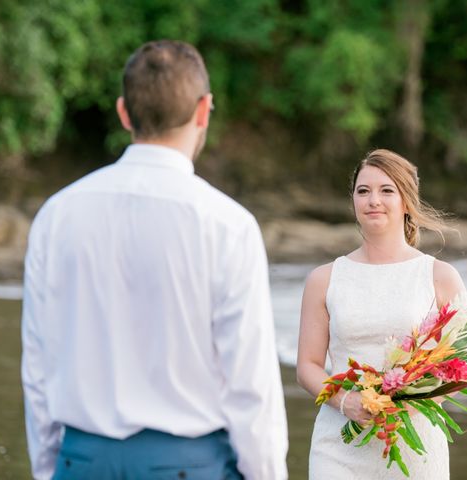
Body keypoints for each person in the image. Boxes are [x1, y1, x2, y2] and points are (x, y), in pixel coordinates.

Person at [21, 40, 288, 480]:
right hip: (190, 464)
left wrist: (51, 467)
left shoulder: (57, 214)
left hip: (82, 460)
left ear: (124, 112)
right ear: (203, 110)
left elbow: (38, 363)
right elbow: (250, 383)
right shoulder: (228, 224)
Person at [296, 149, 465, 479]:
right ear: (353, 202)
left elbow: (459, 370)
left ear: (406, 201)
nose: (373, 200)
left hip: (413, 445)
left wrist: (413, 400)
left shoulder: (440, 276)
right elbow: (308, 367)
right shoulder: (324, 279)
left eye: (386, 190)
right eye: (363, 191)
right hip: (339, 447)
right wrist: (347, 402)